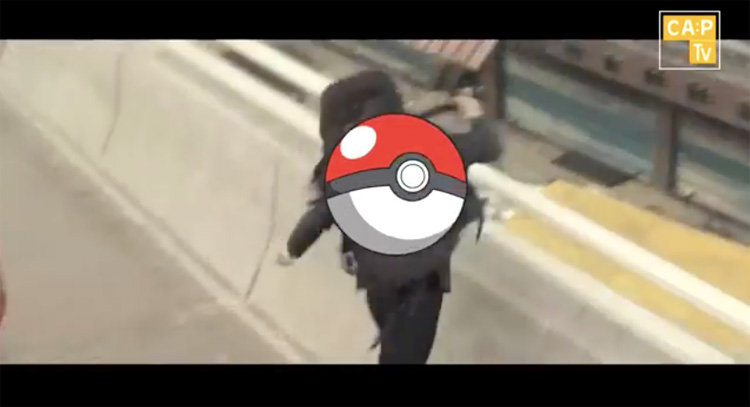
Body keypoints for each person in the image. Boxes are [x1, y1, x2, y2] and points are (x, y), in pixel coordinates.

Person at [278, 70, 502, 364]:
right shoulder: (425, 145)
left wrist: (292, 250)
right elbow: (487, 146)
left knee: (394, 344)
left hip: (377, 278)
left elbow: (322, 213)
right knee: (407, 352)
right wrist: (473, 112)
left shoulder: (352, 158)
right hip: (419, 278)